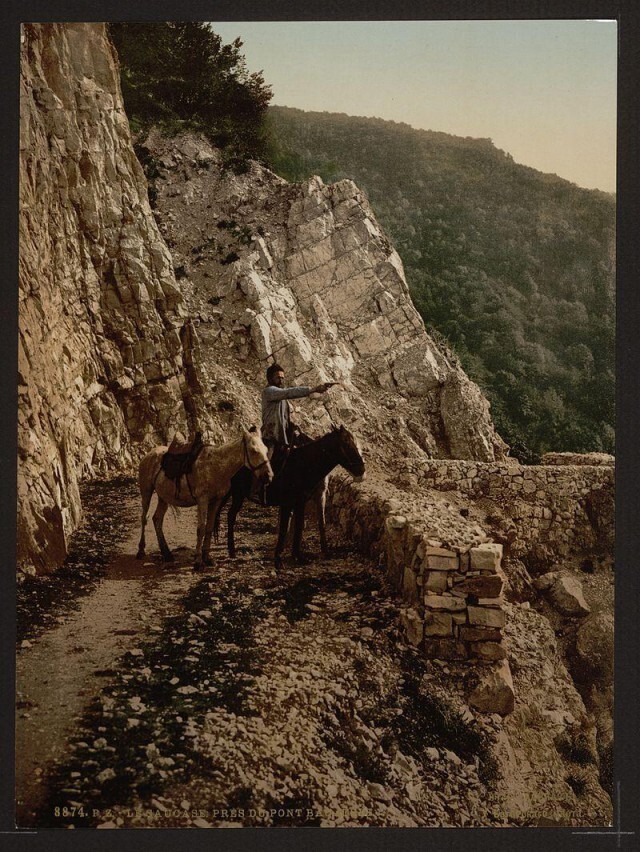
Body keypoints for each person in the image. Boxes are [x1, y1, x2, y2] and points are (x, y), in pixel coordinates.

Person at [261, 363, 333, 483]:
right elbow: (289, 392)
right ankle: (259, 488)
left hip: (281, 436)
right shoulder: (269, 392)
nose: (281, 380)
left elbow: (283, 417)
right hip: (270, 436)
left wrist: (291, 426)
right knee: (265, 465)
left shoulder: (281, 398)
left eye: (282, 378)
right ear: (270, 378)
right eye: (278, 377)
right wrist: (313, 389)